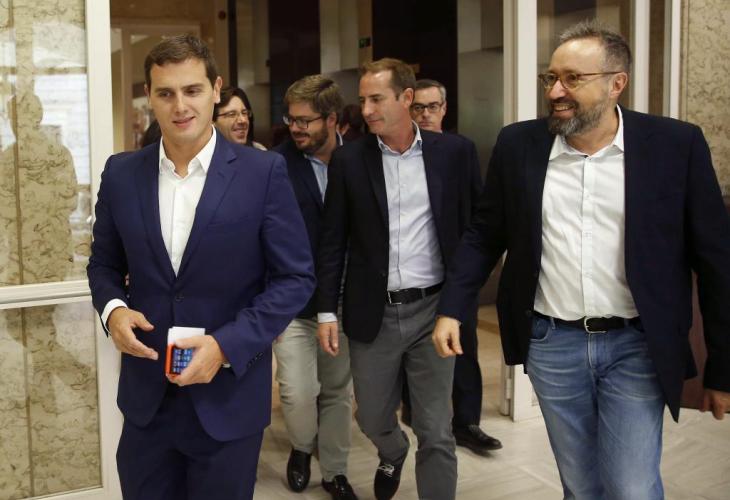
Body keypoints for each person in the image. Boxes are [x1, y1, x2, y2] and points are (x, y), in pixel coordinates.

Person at [433, 20, 730, 500]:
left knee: (631, 487)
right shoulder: (518, 145)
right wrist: (452, 307)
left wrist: (723, 368)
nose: (555, 91)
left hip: (637, 344)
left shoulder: (675, 146)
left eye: (573, 78)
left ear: (617, 83)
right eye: (551, 78)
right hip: (553, 345)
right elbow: (485, 233)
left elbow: (717, 262)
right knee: (580, 485)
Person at [87, 34, 315, 500]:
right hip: (147, 403)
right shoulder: (121, 174)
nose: (180, 106)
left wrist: (225, 346)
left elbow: (295, 278)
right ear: (149, 96)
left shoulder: (262, 173)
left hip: (227, 399)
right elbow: (104, 264)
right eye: (165, 93)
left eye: (192, 90)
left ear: (216, 90)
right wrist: (113, 310)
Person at [316, 58, 482, 500]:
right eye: (363, 100)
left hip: (435, 311)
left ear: (406, 98)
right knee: (371, 416)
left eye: (377, 99)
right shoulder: (349, 160)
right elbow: (332, 241)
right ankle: (392, 450)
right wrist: (326, 310)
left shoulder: (455, 154)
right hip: (374, 312)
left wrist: (459, 303)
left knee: (436, 428)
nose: (366, 110)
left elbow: (474, 234)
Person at [401, 78, 502, 455]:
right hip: (410, 273)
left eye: (433, 107)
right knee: (411, 347)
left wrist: (474, 264)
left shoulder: (461, 150)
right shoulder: (397, 153)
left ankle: (467, 422)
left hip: (454, 271)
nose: (426, 114)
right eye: (419, 107)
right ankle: (413, 410)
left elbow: (478, 208)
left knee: (464, 345)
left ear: (444, 109)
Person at [273, 75, 357, 500]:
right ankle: (303, 447)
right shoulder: (276, 165)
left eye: (305, 120)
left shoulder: (359, 159)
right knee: (298, 392)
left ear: (332, 119)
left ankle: (336, 470)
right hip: (293, 304)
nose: (296, 128)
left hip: (343, 300)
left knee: (338, 391)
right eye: (291, 119)